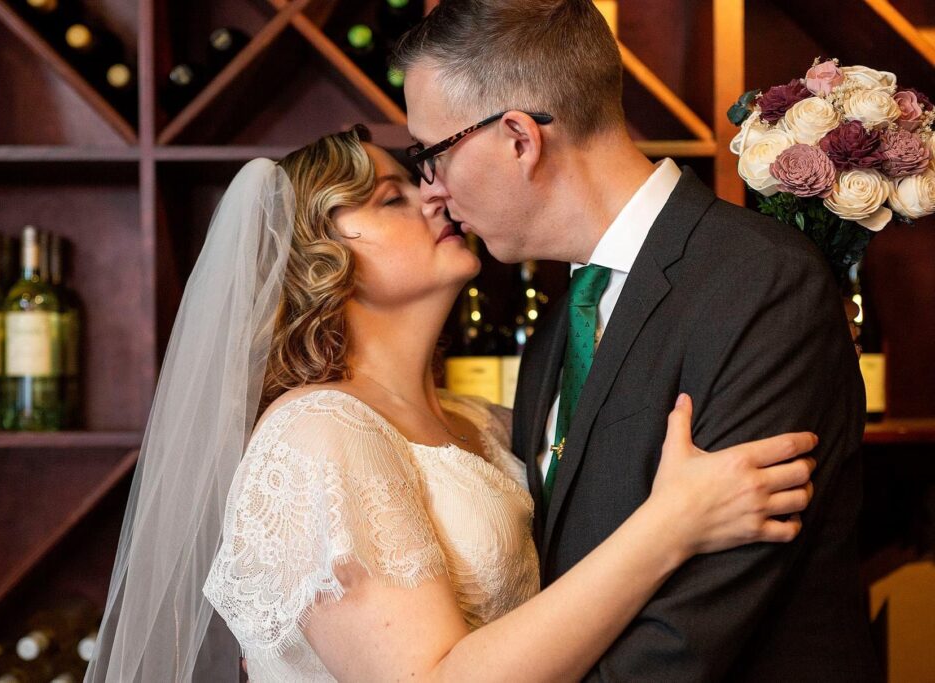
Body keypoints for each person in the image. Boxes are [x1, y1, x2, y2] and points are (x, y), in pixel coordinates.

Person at [84, 127, 817, 682]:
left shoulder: (487, 422)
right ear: (320, 257)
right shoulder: (314, 433)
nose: (434, 196)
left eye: (417, 183)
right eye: (389, 198)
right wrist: (672, 524)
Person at [393, 1, 879, 680]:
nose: (433, 191)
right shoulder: (559, 327)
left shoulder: (761, 283)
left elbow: (689, 636)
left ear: (517, 138)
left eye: (432, 154)